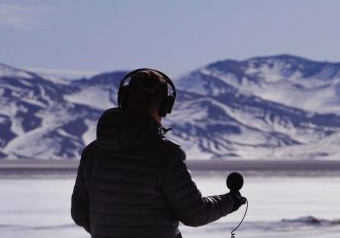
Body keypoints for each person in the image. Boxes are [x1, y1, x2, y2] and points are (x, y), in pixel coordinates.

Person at [71, 68, 246, 238]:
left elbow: (79, 212)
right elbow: (194, 213)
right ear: (165, 106)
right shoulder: (166, 154)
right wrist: (231, 201)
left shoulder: (93, 152)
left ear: (123, 99)